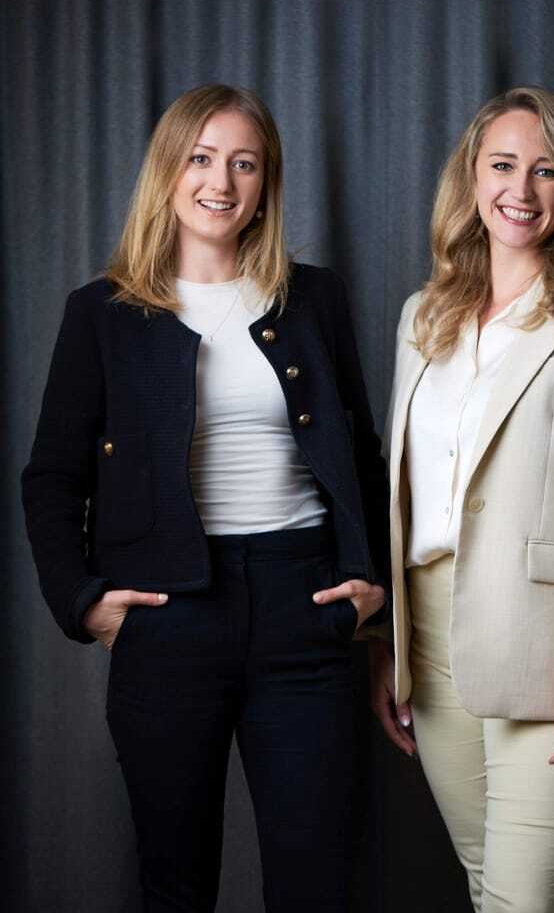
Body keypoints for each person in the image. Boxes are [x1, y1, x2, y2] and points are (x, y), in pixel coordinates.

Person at [22, 83, 388, 913]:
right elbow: (52, 476)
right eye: (201, 158)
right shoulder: (102, 313)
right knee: (175, 884)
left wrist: (372, 589)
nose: (220, 182)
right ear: (168, 171)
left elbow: (359, 454)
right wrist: (82, 602)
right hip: (168, 615)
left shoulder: (314, 299)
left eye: (243, 164)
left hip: (304, 607)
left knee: (316, 885)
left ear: (265, 183)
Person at [369, 86, 554, 913]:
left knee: (521, 902)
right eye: (502, 165)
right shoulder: (421, 318)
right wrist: (384, 643)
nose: (521, 190)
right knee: (486, 887)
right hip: (426, 640)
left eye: (546, 170)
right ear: (472, 177)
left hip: (545, 646)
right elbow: (402, 491)